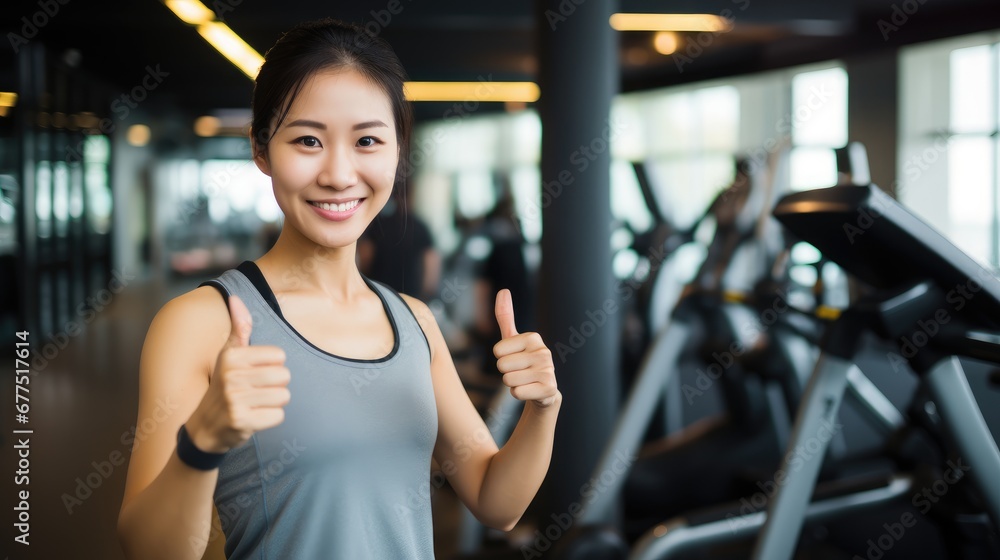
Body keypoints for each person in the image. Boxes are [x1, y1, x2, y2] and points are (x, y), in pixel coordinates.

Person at [116, 19, 561, 560]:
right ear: (261, 150)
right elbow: (149, 551)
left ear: (397, 153)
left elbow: (497, 502)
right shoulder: (199, 322)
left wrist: (542, 409)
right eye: (308, 140)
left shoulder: (413, 321)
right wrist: (201, 445)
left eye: (367, 141)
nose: (338, 173)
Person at [357, 189, 441, 301]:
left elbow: (365, 259)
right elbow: (431, 270)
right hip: (411, 297)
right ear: (412, 196)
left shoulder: (379, 226)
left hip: (380, 295)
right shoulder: (420, 227)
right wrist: (426, 295)